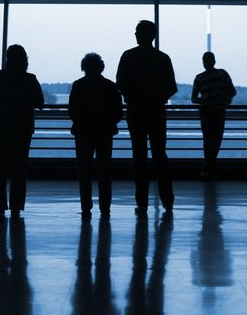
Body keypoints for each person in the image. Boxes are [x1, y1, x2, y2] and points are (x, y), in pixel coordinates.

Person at [116, 20, 178, 214]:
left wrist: (133, 98)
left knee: (139, 156)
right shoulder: (163, 58)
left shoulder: (128, 56)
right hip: (156, 112)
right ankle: (167, 199)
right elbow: (171, 87)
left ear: (140, 35)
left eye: (136, 31)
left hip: (136, 112)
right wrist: (156, 98)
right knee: (160, 155)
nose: (134, 34)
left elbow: (120, 83)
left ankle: (141, 200)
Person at [0, 44, 44, 217]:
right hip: (23, 127)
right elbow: (40, 103)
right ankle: (16, 206)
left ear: (7, 58)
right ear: (25, 59)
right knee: (19, 168)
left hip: (2, 127)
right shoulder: (30, 79)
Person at [68, 53, 123, 216]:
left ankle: (86, 206)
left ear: (84, 67)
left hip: (83, 132)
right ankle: (105, 206)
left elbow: (72, 110)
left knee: (84, 169)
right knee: (104, 170)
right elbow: (118, 112)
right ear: (101, 67)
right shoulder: (110, 86)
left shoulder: (78, 86)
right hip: (104, 132)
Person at [191, 52, 236, 181]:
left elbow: (194, 99)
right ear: (214, 61)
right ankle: (211, 169)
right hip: (219, 111)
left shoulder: (199, 78)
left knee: (208, 141)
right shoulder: (222, 74)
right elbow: (232, 92)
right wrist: (222, 99)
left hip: (206, 112)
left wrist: (205, 99)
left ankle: (208, 169)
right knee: (216, 141)